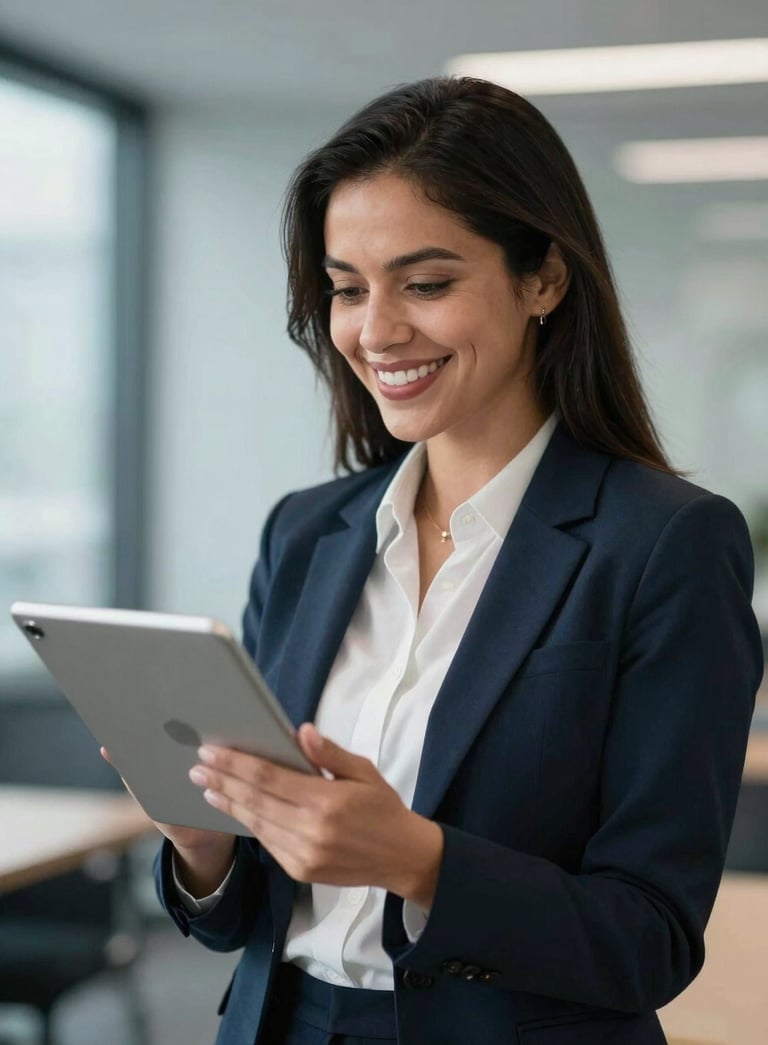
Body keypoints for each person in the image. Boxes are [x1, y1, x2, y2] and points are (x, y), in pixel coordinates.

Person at [152, 77, 763, 1045]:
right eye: (347, 288)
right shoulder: (307, 533)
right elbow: (245, 919)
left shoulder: (663, 543)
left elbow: (649, 938)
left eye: (426, 283)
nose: (377, 329)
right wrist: (207, 847)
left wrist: (424, 861)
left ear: (544, 281)